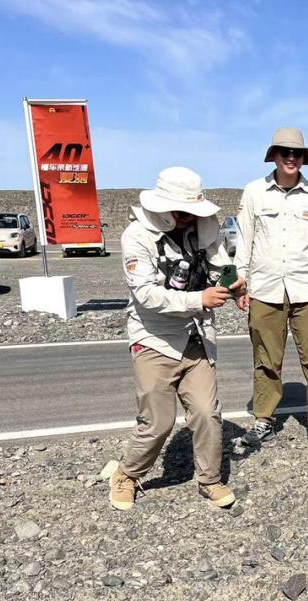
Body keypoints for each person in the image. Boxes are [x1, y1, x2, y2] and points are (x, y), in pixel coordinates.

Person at [108, 167, 246, 512]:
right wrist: (198, 300)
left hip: (196, 336)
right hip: (154, 338)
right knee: (157, 422)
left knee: (206, 412)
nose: (187, 219)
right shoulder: (137, 236)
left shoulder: (203, 229)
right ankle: (126, 475)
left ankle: (210, 480)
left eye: (191, 212)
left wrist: (234, 282)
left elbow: (220, 267)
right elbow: (145, 294)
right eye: (181, 211)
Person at [235, 128, 308, 453]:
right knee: (266, 359)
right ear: (275, 156)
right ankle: (264, 419)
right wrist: (239, 283)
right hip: (264, 290)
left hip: (307, 291)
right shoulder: (254, 192)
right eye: (284, 152)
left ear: (303, 159)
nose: (290, 158)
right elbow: (243, 241)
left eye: (296, 154)